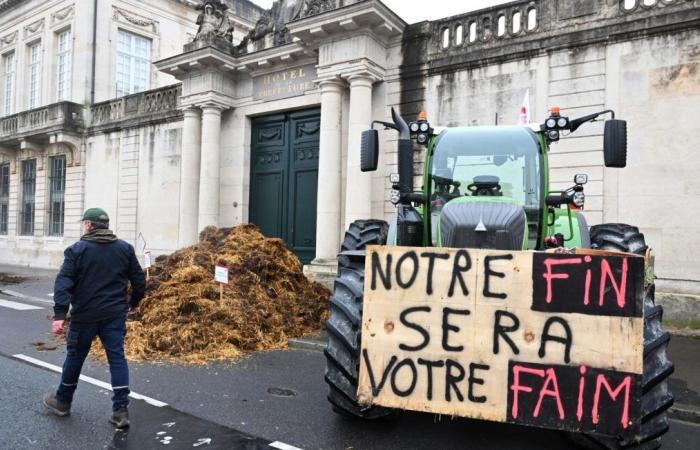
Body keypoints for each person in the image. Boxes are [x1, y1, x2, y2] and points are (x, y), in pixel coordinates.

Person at [42, 208, 146, 429]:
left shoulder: (77, 250)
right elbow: (139, 280)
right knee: (117, 359)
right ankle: (120, 411)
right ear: (106, 225)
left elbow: (64, 283)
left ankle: (63, 402)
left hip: (85, 315)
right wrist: (133, 303)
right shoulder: (124, 249)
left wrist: (60, 314)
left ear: (88, 225)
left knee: (76, 357)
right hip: (114, 314)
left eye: (84, 224)